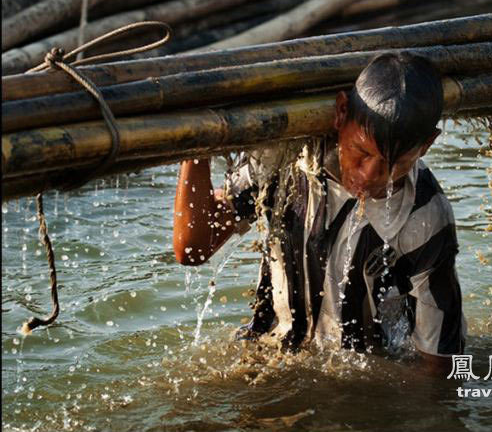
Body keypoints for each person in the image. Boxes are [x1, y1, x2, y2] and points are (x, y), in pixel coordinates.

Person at [173, 52, 466, 376]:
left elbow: (441, 367)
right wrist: (197, 138)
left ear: (426, 145)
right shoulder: (285, 160)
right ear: (341, 112)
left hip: (367, 375)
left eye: (393, 164)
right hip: (269, 352)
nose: (369, 175)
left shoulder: (424, 214)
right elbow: (193, 247)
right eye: (361, 152)